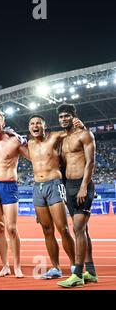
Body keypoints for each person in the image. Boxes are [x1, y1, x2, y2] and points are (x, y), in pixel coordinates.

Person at [27, 114, 76, 279]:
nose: (35, 126)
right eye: (32, 124)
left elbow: (72, 132)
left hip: (54, 184)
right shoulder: (29, 144)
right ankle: (55, 268)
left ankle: (75, 265)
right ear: (29, 128)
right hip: (37, 188)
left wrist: (77, 124)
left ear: (44, 126)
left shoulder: (54, 137)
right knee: (47, 230)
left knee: (63, 229)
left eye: (38, 123)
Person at [0, 110, 29, 278]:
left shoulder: (14, 141)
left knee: (11, 228)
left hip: (9, 186)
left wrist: (22, 139)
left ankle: (17, 266)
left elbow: (32, 157)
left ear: (3, 124)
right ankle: (5, 266)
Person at [56, 104, 98, 288]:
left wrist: (83, 187)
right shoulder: (64, 139)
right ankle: (92, 272)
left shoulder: (85, 134)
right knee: (84, 231)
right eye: (61, 116)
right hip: (69, 186)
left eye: (67, 116)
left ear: (74, 117)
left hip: (83, 184)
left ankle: (78, 274)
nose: (64, 119)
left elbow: (90, 163)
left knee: (78, 230)